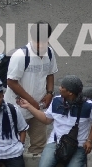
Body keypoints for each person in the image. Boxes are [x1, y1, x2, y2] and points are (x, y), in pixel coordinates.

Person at [18, 76, 92, 167]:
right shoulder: (56, 101)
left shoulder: (88, 106)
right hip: (55, 143)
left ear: (70, 93)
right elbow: (46, 119)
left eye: (62, 87)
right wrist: (28, 106)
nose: (59, 88)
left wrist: (89, 140)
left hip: (78, 146)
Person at [4, 22, 57, 154]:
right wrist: (31, 102)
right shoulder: (20, 56)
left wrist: (50, 92)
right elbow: (11, 82)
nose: (41, 45)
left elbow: (50, 73)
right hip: (17, 109)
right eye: (37, 41)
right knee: (14, 143)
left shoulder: (49, 53)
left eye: (44, 41)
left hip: (38, 109)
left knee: (39, 146)